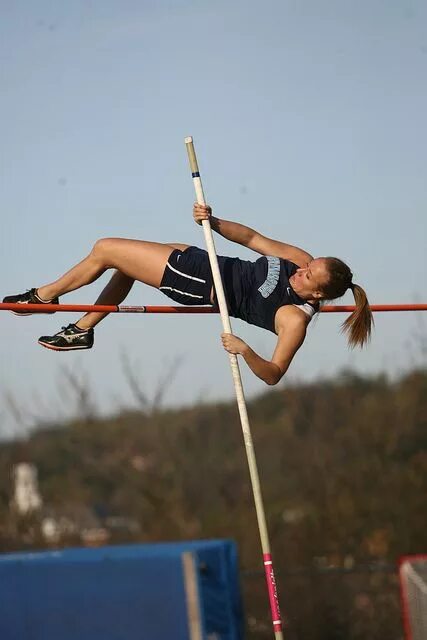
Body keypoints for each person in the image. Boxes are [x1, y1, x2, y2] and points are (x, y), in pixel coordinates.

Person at [3, 204, 373, 385]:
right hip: (205, 260)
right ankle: (82, 329)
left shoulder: (293, 318)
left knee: (106, 249)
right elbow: (253, 239)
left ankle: (45, 297)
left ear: (319, 294)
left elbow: (274, 374)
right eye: (311, 264)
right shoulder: (300, 259)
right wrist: (214, 222)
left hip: (201, 283)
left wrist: (245, 350)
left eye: (310, 274)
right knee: (124, 266)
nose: (303, 268)